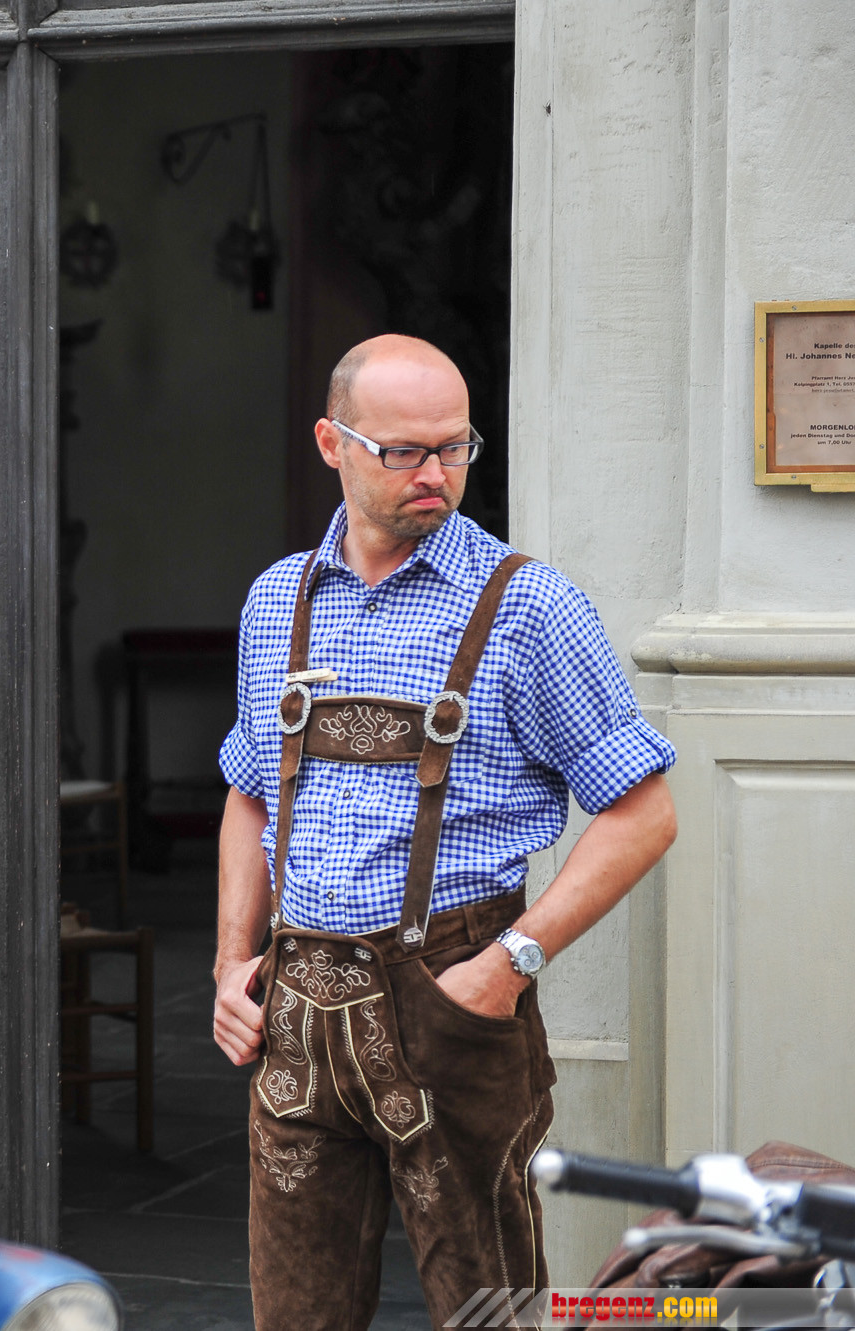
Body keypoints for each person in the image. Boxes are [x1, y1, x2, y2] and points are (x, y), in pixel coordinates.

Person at [211, 334, 678, 1328]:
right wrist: (228, 962)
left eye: (455, 446)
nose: (436, 472)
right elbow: (249, 792)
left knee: (487, 1311)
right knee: (294, 1315)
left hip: (453, 995)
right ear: (331, 443)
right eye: (403, 451)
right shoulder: (276, 599)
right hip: (298, 1008)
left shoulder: (530, 607)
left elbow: (642, 815)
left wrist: (507, 965)